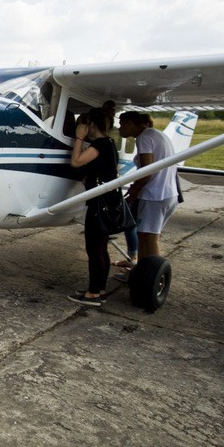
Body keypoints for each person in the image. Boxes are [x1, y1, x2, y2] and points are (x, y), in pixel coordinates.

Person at [67, 108, 119, 307]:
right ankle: (100, 289)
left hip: (99, 202)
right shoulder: (110, 143)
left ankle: (93, 294)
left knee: (94, 249)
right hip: (106, 201)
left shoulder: (100, 143)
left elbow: (76, 162)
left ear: (92, 125)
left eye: (84, 124)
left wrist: (79, 138)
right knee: (101, 248)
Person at [118, 111, 178, 258]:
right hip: (168, 193)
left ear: (130, 123)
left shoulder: (144, 138)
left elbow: (147, 171)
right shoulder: (156, 134)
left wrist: (134, 190)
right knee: (144, 236)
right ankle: (142, 268)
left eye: (121, 124)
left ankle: (152, 271)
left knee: (150, 238)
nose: (120, 128)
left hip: (154, 196)